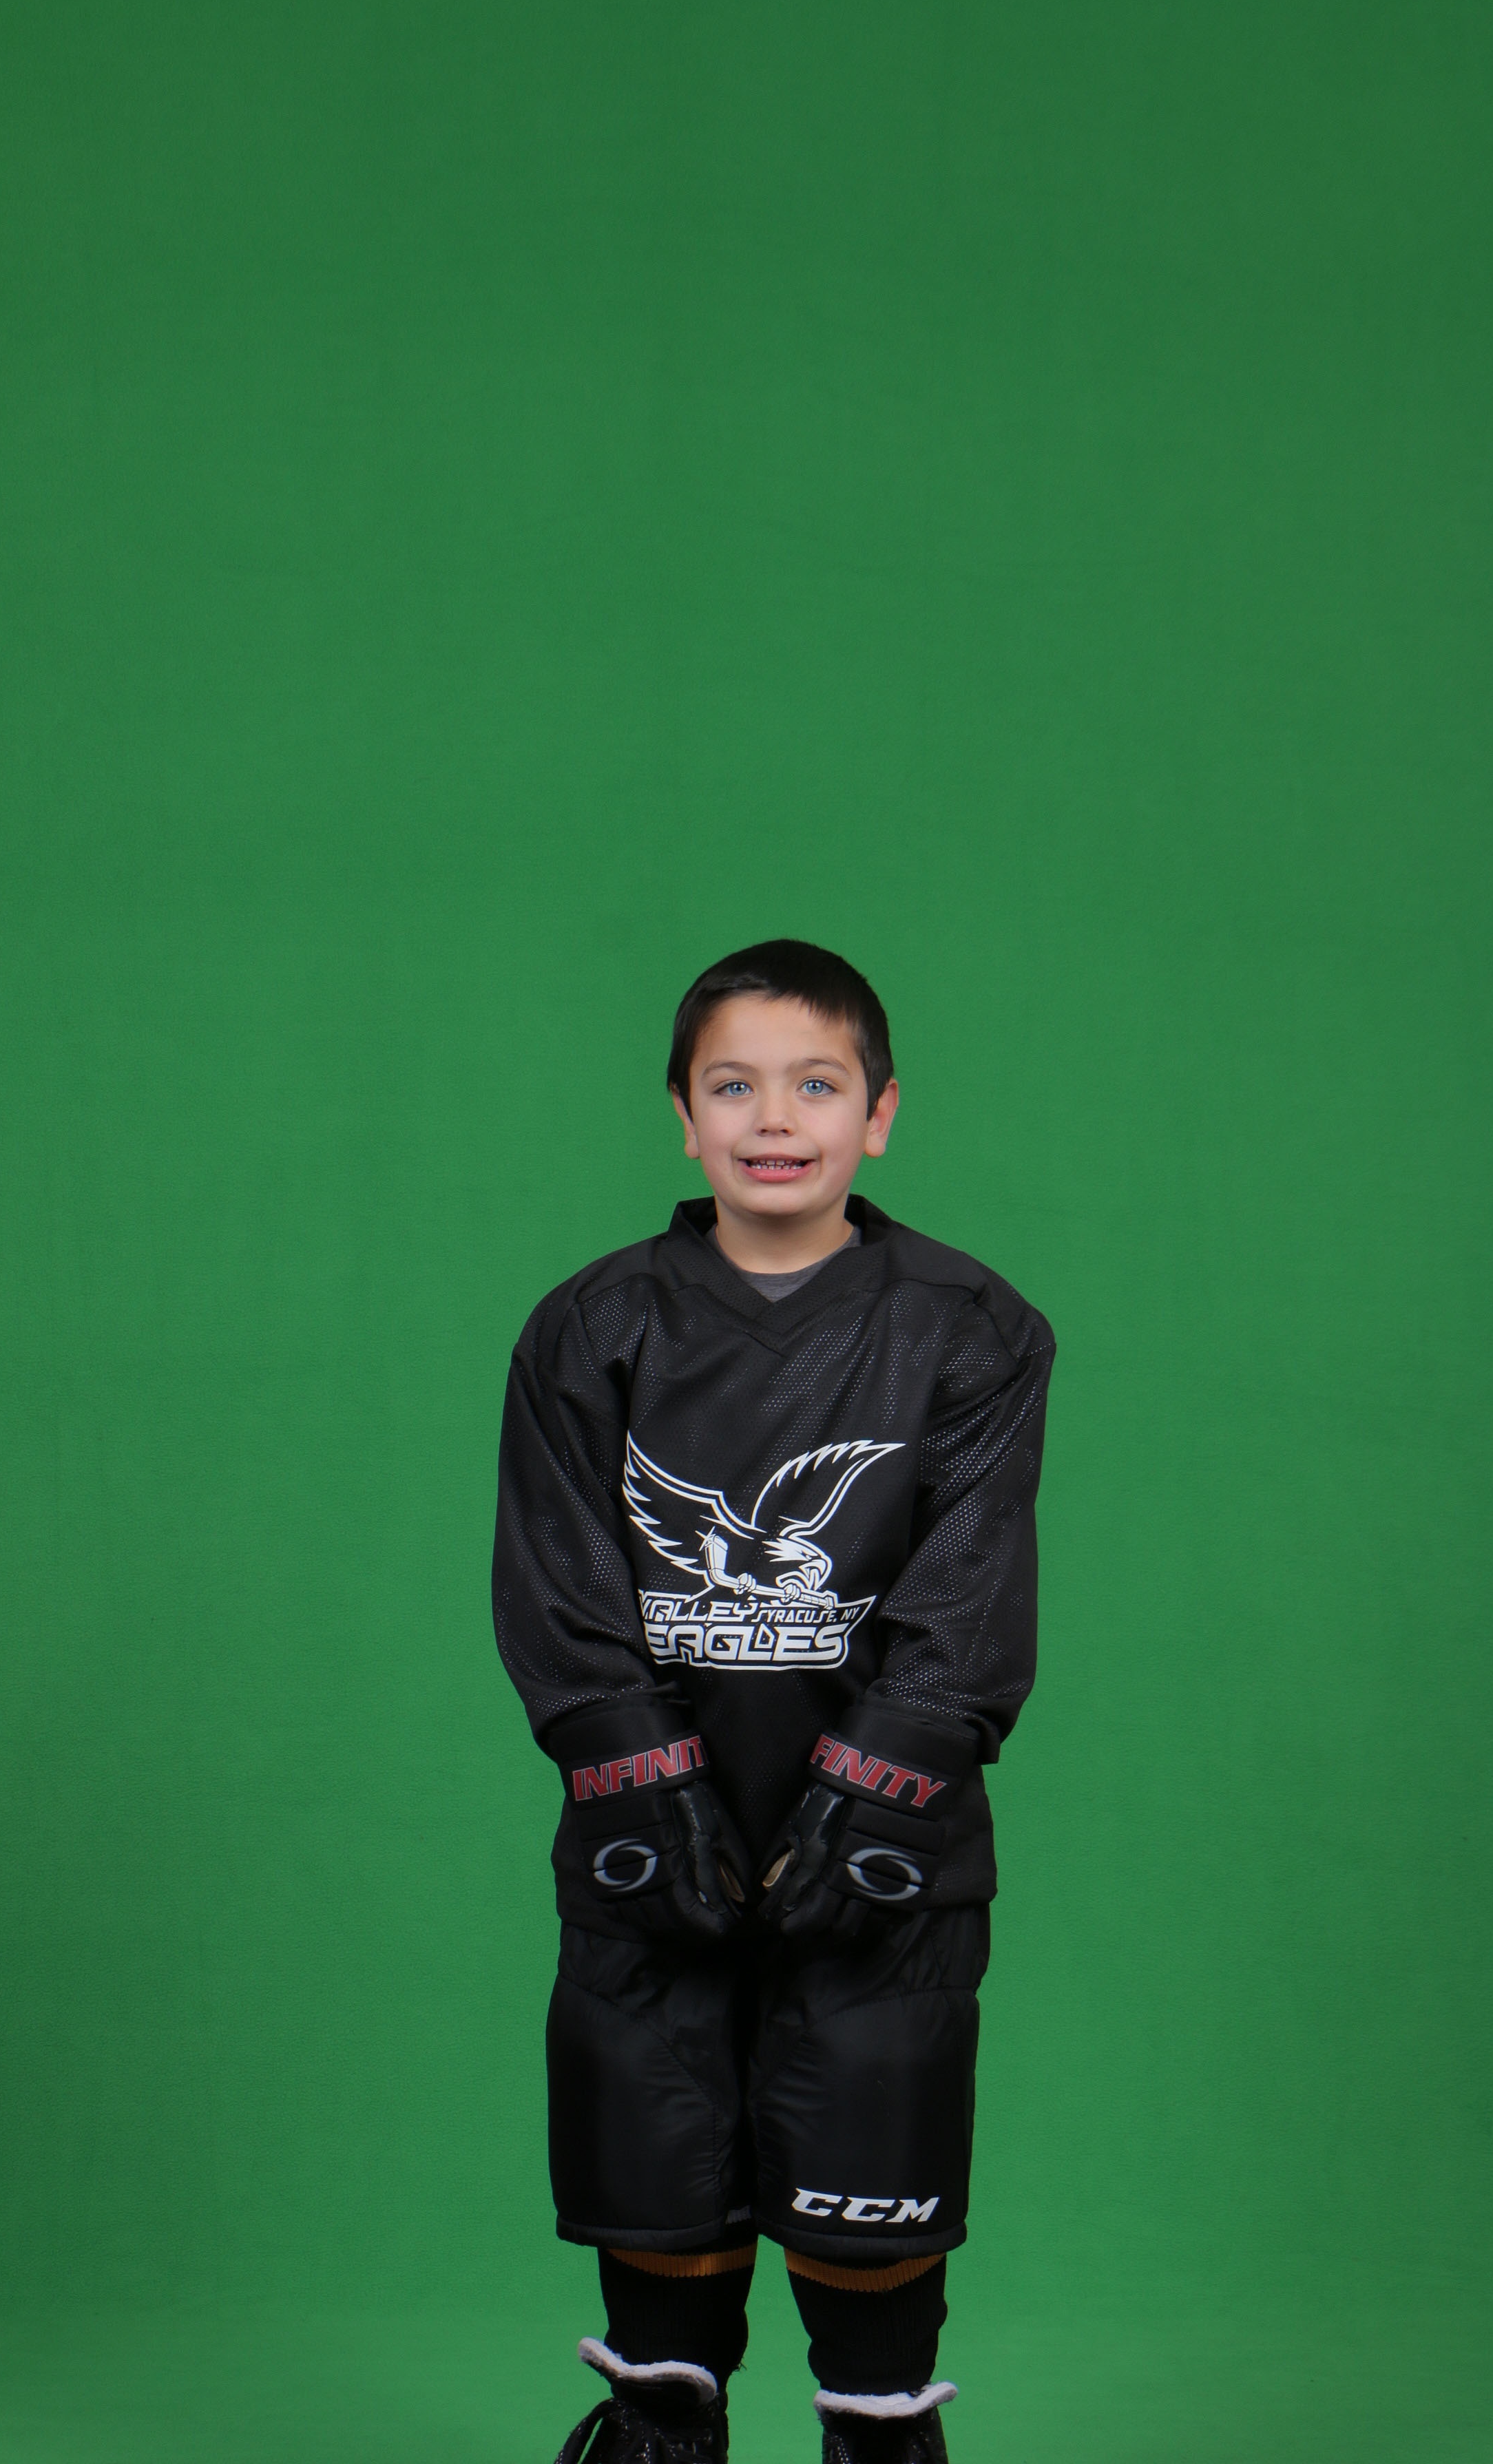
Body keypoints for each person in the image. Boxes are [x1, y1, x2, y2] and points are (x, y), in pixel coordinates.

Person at [493, 940, 1055, 2464]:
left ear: (881, 1113)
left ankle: (881, 2436)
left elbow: (969, 1597)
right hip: (653, 1854)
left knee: (869, 2179)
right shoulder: (591, 1327)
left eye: (817, 1083)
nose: (775, 1117)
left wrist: (879, 1790)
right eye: (732, 1086)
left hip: (885, 1869)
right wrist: (637, 1776)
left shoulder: (967, 1327)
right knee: (657, 2169)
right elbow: (559, 1584)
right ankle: (658, 2430)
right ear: (683, 1118)